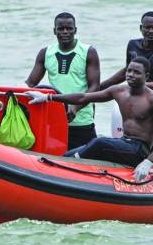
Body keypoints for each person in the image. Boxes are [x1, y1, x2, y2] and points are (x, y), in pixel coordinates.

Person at [25, 57, 153, 181]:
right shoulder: (119, 91)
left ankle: (63, 170)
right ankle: (58, 168)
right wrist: (48, 97)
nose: (130, 74)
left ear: (146, 76)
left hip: (139, 151)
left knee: (100, 142)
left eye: (136, 72)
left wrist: (148, 161)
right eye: (129, 71)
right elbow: (84, 97)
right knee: (68, 154)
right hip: (123, 143)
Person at [24, 12, 101, 149]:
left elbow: (94, 87)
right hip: (54, 120)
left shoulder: (88, 52)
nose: (65, 32)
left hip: (82, 121)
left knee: (86, 161)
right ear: (54, 31)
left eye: (69, 28)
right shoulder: (45, 53)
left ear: (75, 30)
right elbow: (30, 83)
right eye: (61, 29)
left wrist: (75, 108)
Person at [99, 11, 153, 124]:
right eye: (147, 27)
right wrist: (101, 86)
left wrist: (143, 85)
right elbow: (126, 71)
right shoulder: (132, 45)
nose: (151, 31)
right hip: (143, 98)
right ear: (141, 28)